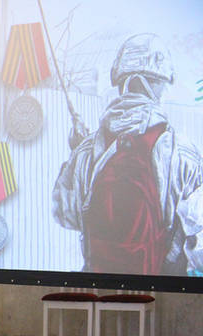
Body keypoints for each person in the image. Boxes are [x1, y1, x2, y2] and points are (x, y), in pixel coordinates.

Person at [53, 33, 203, 276]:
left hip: (98, 285)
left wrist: (74, 156)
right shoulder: (182, 151)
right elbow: (199, 245)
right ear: (156, 84)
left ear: (121, 81)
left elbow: (65, 214)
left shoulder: (86, 151)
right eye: (163, 84)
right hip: (163, 289)